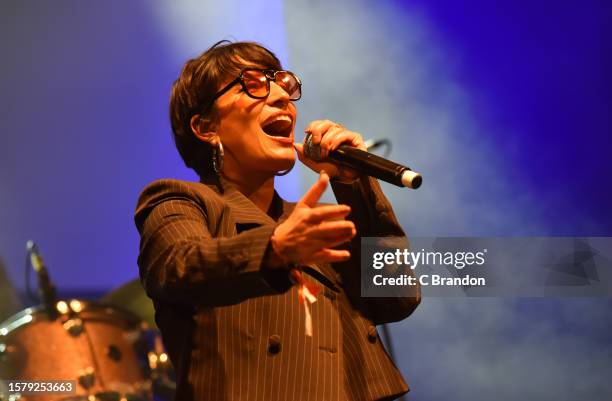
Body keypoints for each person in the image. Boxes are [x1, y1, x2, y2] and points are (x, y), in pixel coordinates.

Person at [135, 40, 420, 401]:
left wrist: (355, 183)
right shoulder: (180, 201)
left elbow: (395, 297)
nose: (281, 96)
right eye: (252, 83)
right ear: (206, 127)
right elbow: (182, 267)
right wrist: (274, 250)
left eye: (283, 83)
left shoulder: (312, 225)